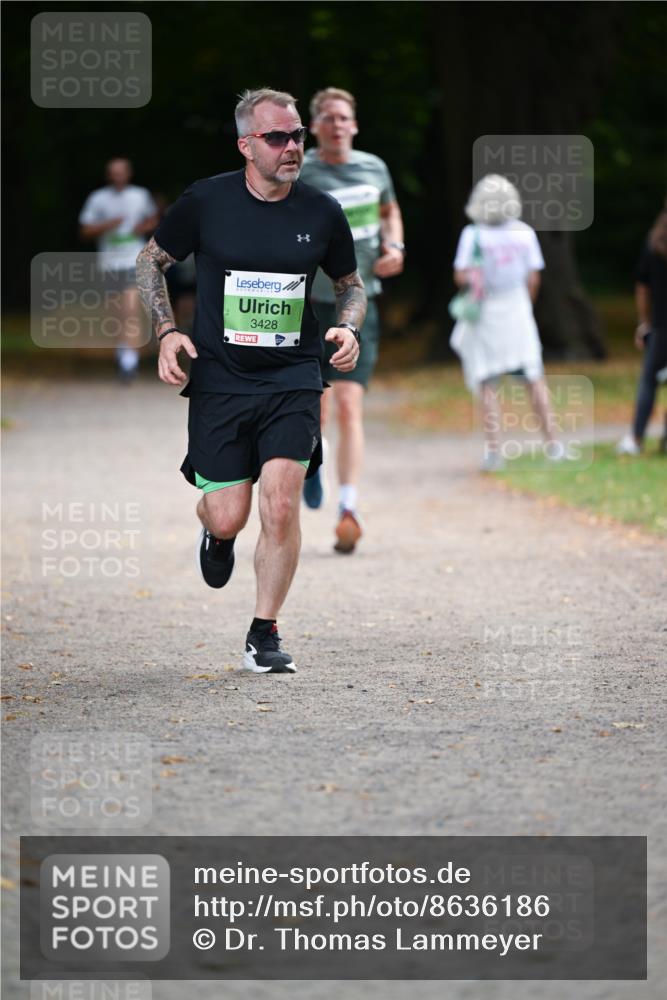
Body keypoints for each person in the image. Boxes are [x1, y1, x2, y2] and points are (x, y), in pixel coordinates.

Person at [136, 88, 366, 674]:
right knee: (228, 514)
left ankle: (264, 632)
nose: (292, 146)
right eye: (277, 137)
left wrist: (347, 327)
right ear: (246, 145)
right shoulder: (207, 201)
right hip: (221, 379)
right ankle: (216, 535)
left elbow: (351, 285)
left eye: (298, 135)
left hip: (294, 375)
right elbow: (150, 261)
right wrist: (166, 331)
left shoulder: (322, 211)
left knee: (281, 504)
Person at [299, 87, 404, 553]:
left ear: (355, 125)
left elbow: (390, 211)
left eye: (344, 117)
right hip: (311, 303)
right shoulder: (301, 171)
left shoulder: (374, 167)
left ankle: (348, 506)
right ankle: (313, 462)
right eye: (328, 118)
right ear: (315, 126)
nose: (337, 125)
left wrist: (395, 246)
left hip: (360, 303)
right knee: (317, 408)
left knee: (347, 405)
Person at [450, 174, 564, 471]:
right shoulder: (524, 233)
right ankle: (553, 444)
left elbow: (460, 275)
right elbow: (534, 278)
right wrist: (526, 305)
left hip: (486, 310)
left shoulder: (473, 234)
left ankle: (494, 451)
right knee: (533, 377)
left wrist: (477, 279)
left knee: (487, 381)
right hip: (517, 308)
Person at [79, 158, 158, 381]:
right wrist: (107, 225)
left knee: (131, 309)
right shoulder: (98, 198)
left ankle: (129, 361)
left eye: (121, 172)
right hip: (109, 263)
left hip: (133, 260)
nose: (118, 176)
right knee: (116, 314)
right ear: (108, 175)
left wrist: (143, 227)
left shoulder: (140, 195)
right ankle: (123, 349)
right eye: (113, 172)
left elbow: (154, 219)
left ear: (128, 173)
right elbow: (84, 230)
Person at [617, 202, 667, 456]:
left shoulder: (655, 243)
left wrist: (644, 322)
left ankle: (636, 438)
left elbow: (642, 288)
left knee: (649, 382)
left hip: (661, 326)